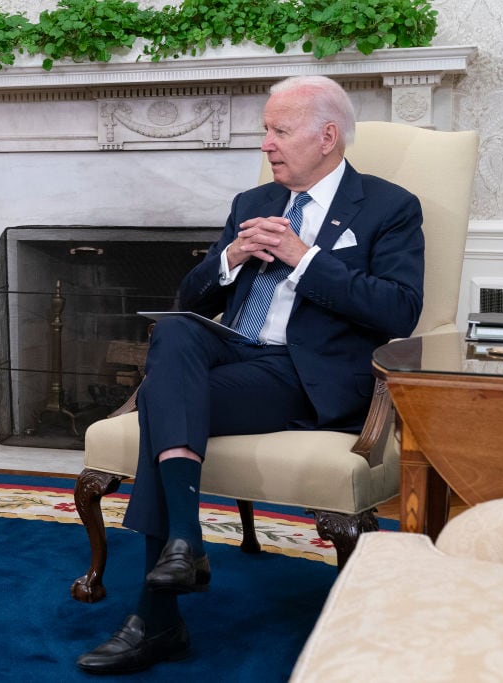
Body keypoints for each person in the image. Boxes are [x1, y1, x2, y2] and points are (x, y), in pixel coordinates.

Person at [76, 76, 426, 674]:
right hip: (238, 353)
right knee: (179, 331)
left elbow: (399, 309)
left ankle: (156, 618)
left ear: (328, 136)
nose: (266, 143)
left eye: (279, 130)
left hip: (307, 376)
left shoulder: (390, 206)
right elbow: (190, 300)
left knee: (165, 402)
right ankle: (186, 543)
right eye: (266, 129)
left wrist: (303, 258)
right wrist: (230, 260)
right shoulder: (252, 203)